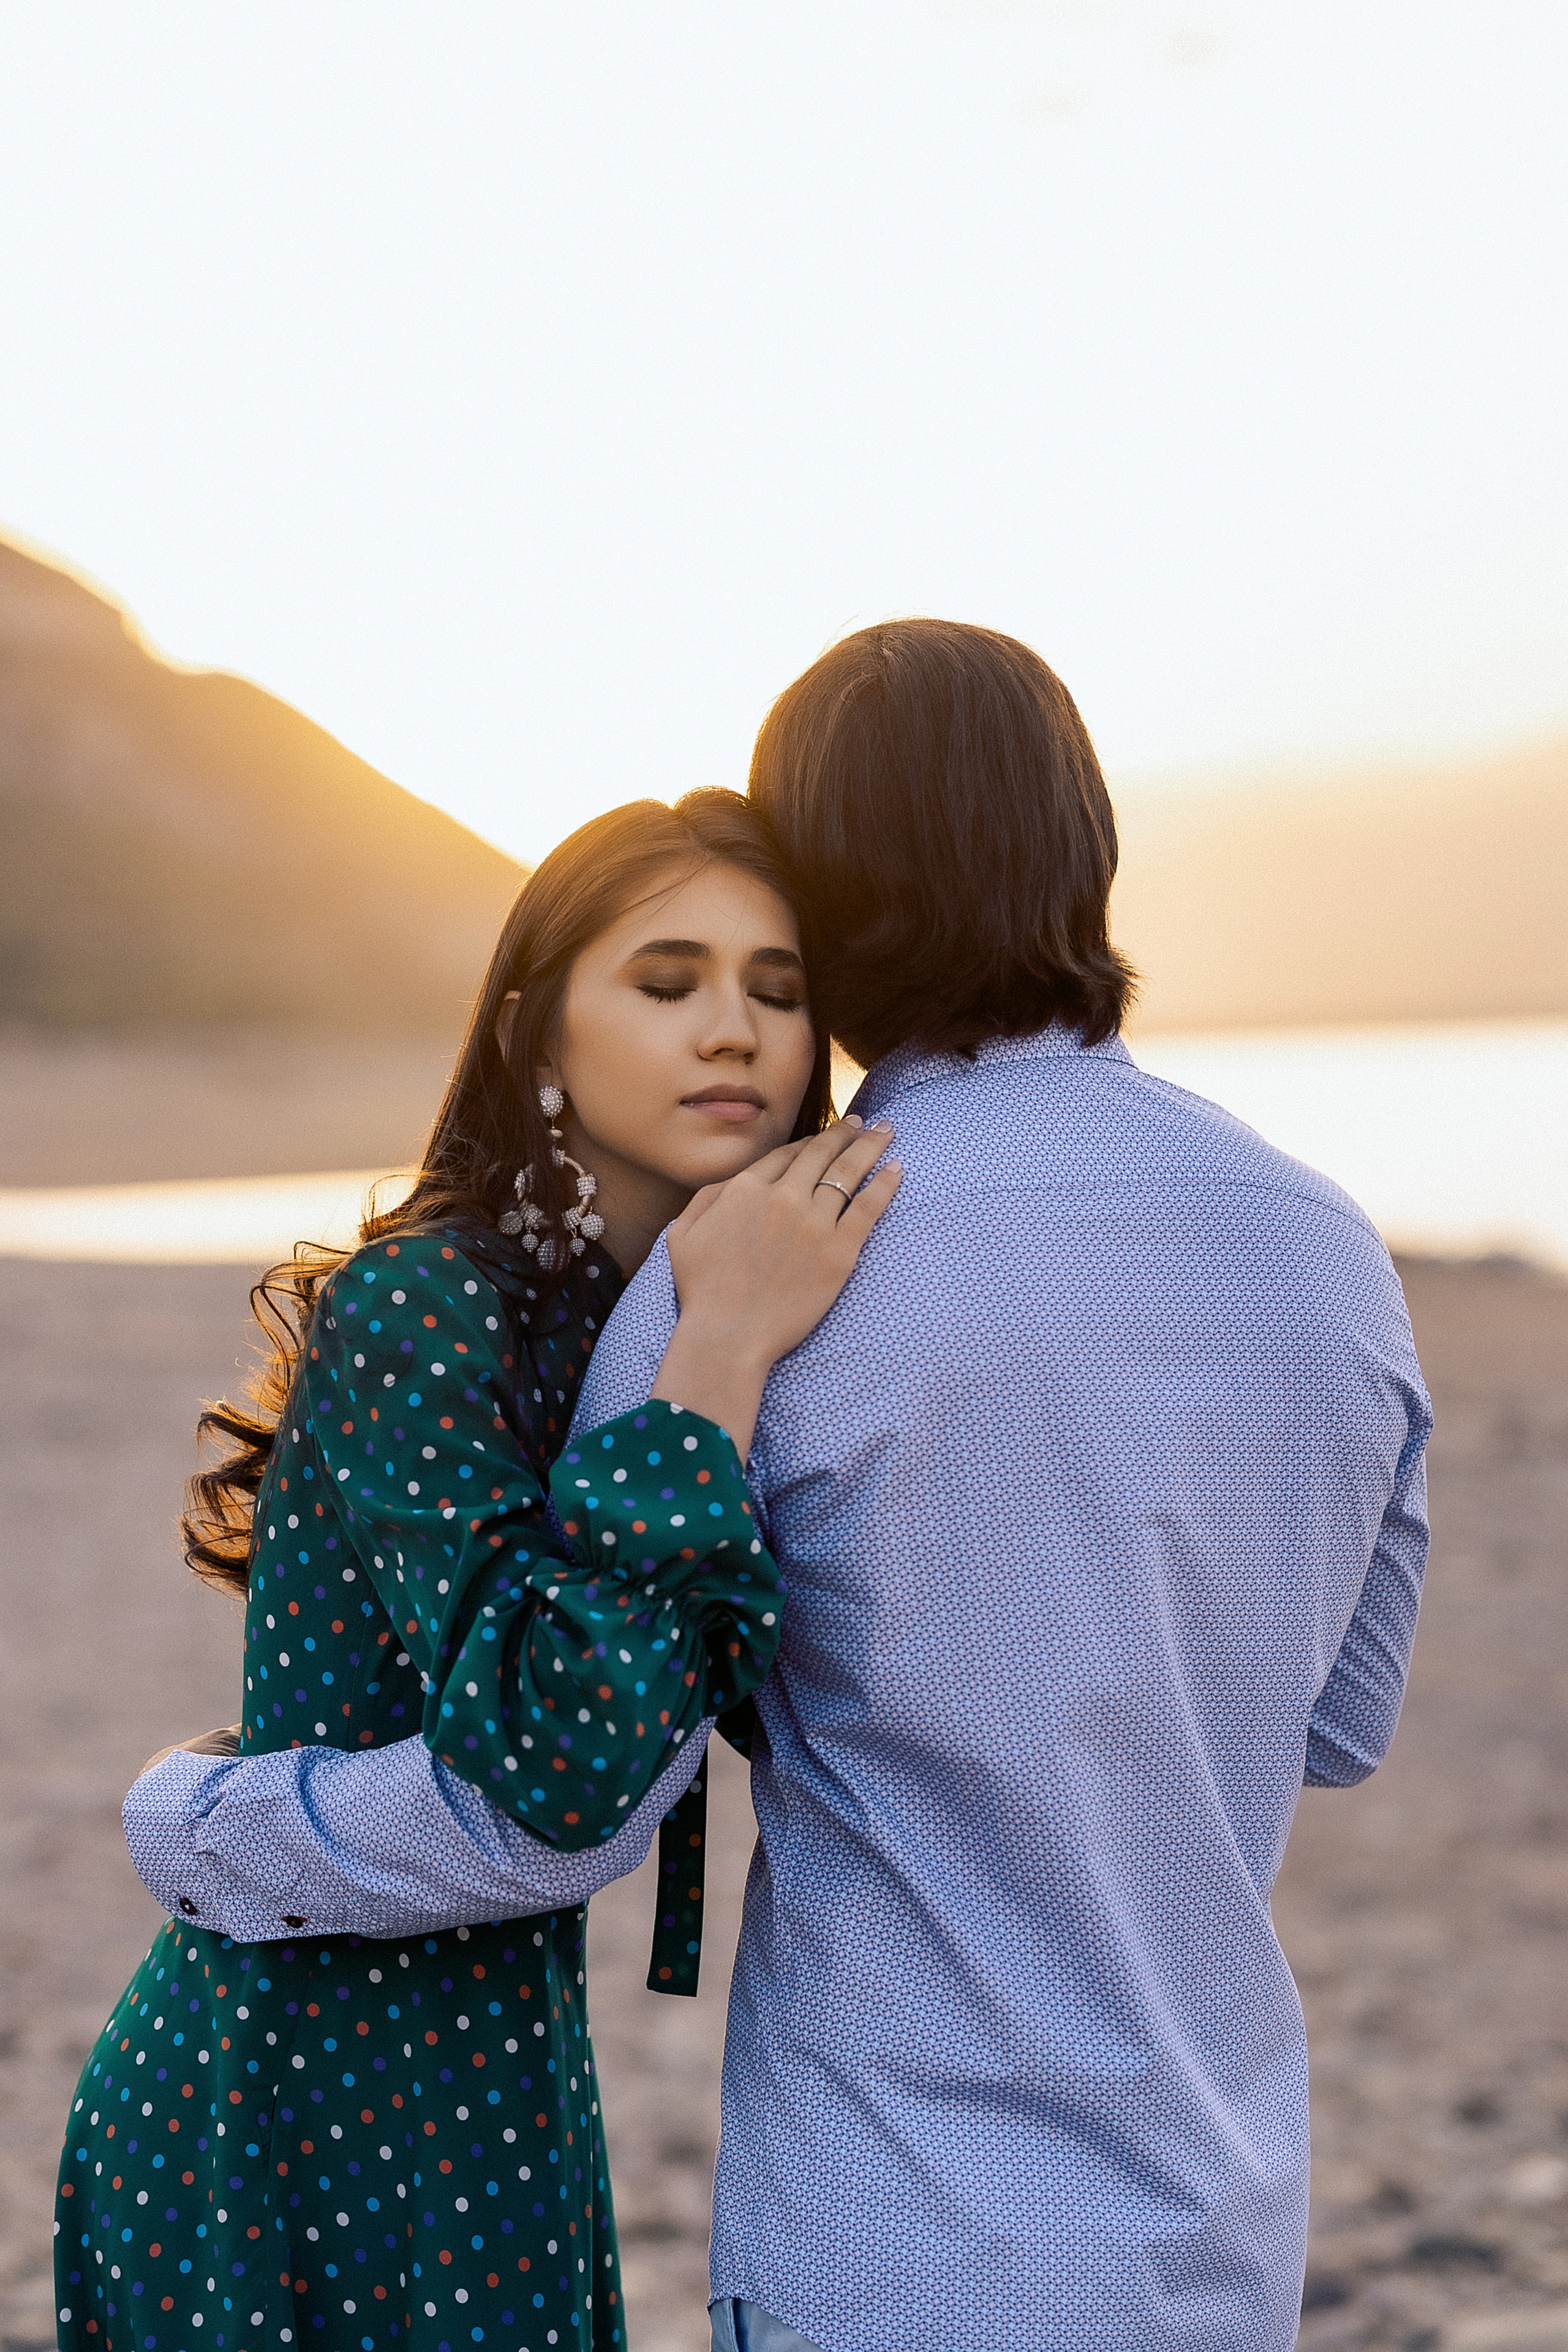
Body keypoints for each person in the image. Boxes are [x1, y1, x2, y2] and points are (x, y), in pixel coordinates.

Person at [123, 621, 1432, 2352]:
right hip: (1214, 2219)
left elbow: (554, 1790)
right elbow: (1336, 1724)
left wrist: (208, 1825)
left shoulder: (753, 1272)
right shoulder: (1332, 1249)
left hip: (886, 2233)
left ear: (822, 894)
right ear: (1090, 851)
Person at [56, 789, 900, 2352]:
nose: (736, 1033)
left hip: (498, 2093)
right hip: (292, 2099)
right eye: (667, 984)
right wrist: (718, 1344)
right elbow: (556, 1761)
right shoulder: (428, 1304)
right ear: (535, 1036)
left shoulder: (639, 1318)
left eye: (779, 994)